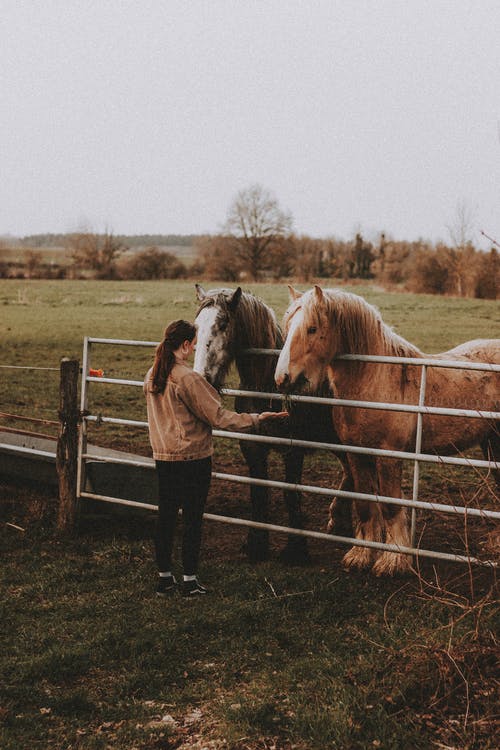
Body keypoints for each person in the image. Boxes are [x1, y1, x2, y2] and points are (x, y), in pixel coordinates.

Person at [144, 319, 288, 597]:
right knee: (193, 520)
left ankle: (164, 579)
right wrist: (258, 419)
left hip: (163, 457)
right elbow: (219, 417)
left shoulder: (153, 374)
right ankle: (189, 580)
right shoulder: (187, 378)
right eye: (194, 343)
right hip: (192, 459)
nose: (196, 348)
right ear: (185, 346)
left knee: (166, 517)